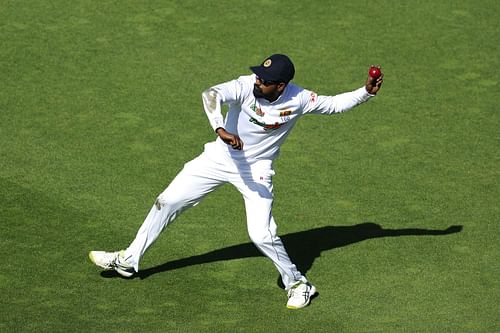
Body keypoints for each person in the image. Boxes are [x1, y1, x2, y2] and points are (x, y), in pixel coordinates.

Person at [89, 54, 384, 309]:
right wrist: (220, 128)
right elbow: (210, 94)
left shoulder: (299, 99)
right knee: (167, 201)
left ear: (281, 86)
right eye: (258, 76)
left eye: (265, 80)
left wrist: (365, 92)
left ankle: (297, 284)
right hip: (219, 159)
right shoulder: (245, 85)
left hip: (257, 172)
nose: (258, 81)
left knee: (261, 235)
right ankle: (129, 260)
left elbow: (333, 104)